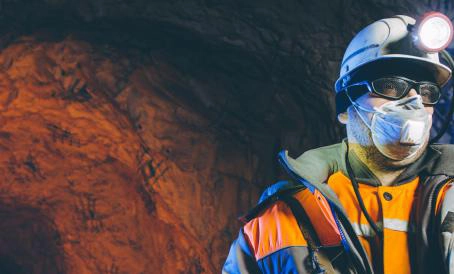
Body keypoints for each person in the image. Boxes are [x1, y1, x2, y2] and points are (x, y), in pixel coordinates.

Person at [222, 14, 454, 273]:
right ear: (345, 107)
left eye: (427, 92)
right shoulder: (282, 219)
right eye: (390, 86)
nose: (415, 102)